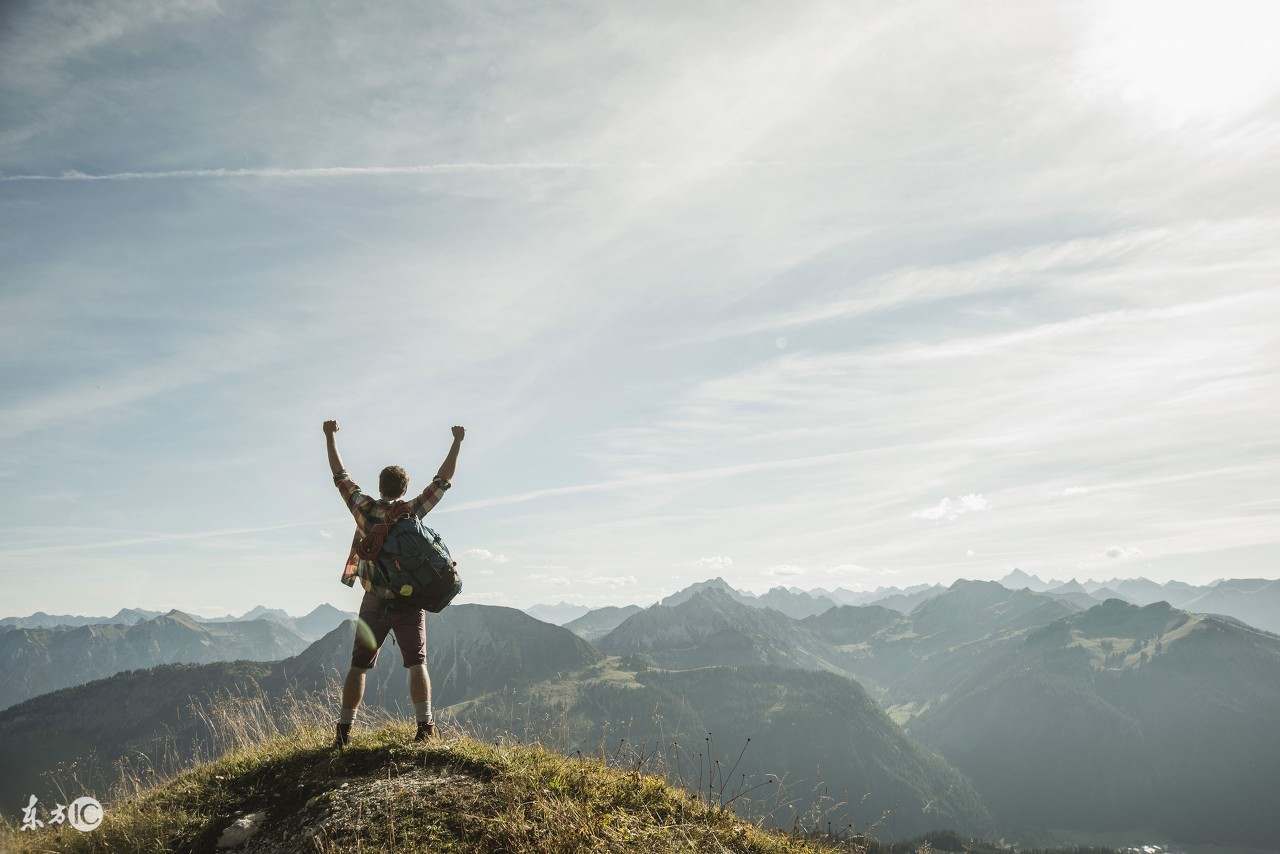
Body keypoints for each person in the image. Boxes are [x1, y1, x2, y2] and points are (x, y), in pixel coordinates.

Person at [322, 418, 465, 747]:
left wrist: (330, 435)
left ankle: (344, 733)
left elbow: (339, 476)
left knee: (359, 665)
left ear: (380, 485)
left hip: (374, 601)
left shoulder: (363, 509)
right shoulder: (410, 512)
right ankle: (425, 727)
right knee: (417, 663)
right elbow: (442, 482)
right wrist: (457, 441)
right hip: (409, 602)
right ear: (403, 489)